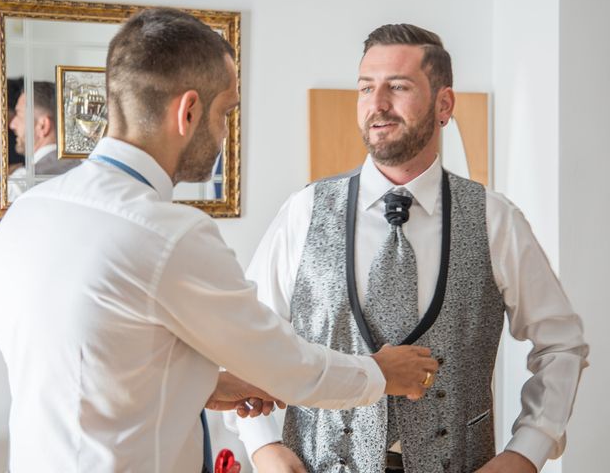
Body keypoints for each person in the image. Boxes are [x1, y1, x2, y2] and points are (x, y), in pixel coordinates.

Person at [0, 10, 439, 473]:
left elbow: (81, 366)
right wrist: (382, 374)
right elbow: (289, 366)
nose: (224, 131)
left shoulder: (27, 213)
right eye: (225, 112)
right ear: (188, 113)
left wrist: (200, 384)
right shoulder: (168, 235)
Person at [227, 24, 589, 473]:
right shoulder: (304, 212)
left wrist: (527, 452)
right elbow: (243, 337)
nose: (377, 105)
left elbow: (562, 344)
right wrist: (264, 446)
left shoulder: (495, 219)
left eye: (397, 87)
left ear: (444, 104)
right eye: (366, 88)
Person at [7, 81, 81, 201]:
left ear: (43, 126)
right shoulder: (85, 169)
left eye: (19, 114)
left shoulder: (20, 184)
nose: (12, 125)